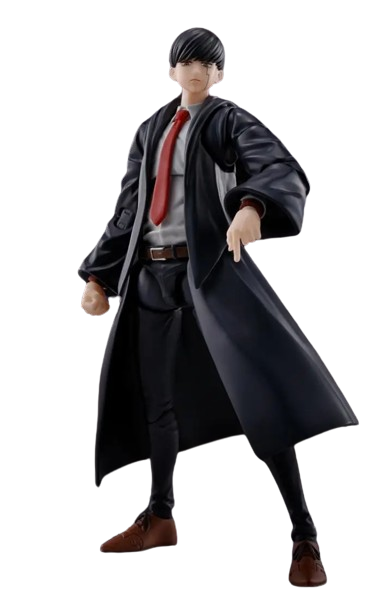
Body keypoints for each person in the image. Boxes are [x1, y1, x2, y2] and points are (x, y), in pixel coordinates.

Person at [79, 27, 359, 586]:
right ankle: (160, 516)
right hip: (152, 275)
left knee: (258, 396)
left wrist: (253, 204)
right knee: (157, 402)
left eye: (208, 63)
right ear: (171, 71)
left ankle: (304, 534)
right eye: (187, 61)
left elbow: (278, 164)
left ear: (220, 74)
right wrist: (99, 274)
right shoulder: (150, 129)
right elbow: (128, 208)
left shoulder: (226, 119)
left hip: (209, 273)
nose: (197, 70)